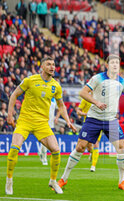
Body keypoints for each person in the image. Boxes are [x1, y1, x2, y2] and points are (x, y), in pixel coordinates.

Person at [58, 55, 124, 190]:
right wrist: (96, 102)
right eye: (112, 63)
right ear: (107, 65)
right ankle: (63, 179)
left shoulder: (122, 82)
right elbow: (83, 93)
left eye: (117, 62)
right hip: (93, 118)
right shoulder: (98, 78)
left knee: (122, 147)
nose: (115, 65)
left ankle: (122, 181)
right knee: (80, 147)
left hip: (111, 120)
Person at [5, 56, 76, 195]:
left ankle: (53, 181)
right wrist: (9, 114)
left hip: (42, 123)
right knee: (14, 148)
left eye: (54, 64)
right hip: (25, 120)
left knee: (56, 150)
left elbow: (61, 106)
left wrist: (67, 121)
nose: (52, 67)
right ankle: (9, 180)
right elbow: (13, 95)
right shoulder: (30, 80)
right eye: (49, 64)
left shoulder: (56, 86)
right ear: (42, 67)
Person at [76, 97, 102, 172]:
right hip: (88, 124)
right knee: (89, 146)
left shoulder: (100, 98)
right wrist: (86, 114)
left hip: (98, 123)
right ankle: (92, 153)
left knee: (96, 143)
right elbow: (78, 112)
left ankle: (93, 166)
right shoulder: (85, 99)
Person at [38, 98, 57, 165]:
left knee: (49, 142)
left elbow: (60, 108)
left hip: (51, 124)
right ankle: (44, 158)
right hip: (45, 123)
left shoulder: (54, 100)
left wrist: (56, 117)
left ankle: (41, 153)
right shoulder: (44, 99)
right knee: (45, 141)